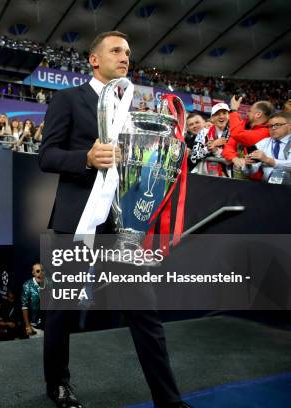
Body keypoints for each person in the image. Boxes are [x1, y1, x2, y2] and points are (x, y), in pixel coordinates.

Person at [38, 31, 189, 408]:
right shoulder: (69, 99)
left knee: (145, 314)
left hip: (123, 228)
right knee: (61, 312)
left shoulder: (136, 108)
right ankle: (57, 385)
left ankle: (168, 399)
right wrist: (85, 160)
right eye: (116, 50)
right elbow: (47, 155)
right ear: (94, 59)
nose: (125, 57)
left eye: (128, 52)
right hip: (77, 223)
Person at [222, 97, 273, 179]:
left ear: (258, 114)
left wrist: (234, 111)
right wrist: (233, 157)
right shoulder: (245, 125)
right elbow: (229, 146)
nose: (247, 113)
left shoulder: (265, 132)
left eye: (249, 111)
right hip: (238, 176)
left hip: (255, 182)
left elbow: (236, 134)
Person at [243, 112, 291, 183]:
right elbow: (249, 172)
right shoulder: (264, 142)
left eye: (277, 125)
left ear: (289, 126)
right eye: (270, 126)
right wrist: (248, 165)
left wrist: (268, 160)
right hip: (267, 187)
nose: (273, 128)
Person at [190, 103, 230, 176]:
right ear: (212, 118)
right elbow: (194, 157)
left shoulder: (233, 133)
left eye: (224, 113)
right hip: (202, 175)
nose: (221, 116)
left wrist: (215, 150)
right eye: (217, 114)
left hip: (226, 178)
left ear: (229, 116)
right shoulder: (203, 132)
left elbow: (232, 160)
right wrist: (208, 148)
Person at [21, 263, 46, 337]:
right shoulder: (27, 285)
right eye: (38, 271)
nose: (40, 273)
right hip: (35, 327)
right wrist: (27, 326)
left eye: (42, 270)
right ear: (33, 273)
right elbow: (24, 307)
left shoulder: (50, 283)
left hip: (49, 325)